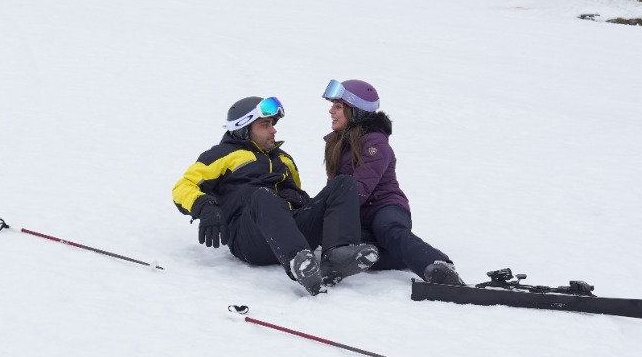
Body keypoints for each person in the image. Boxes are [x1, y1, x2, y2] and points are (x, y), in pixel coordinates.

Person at [173, 95, 379, 295]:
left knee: (344, 183)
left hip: (289, 230)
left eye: (272, 123)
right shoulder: (222, 155)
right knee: (262, 195)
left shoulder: (284, 159)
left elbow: (300, 199)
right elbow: (183, 186)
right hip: (250, 239)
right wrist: (206, 207)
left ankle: (337, 254)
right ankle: (300, 263)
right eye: (265, 125)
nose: (273, 130)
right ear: (243, 129)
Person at [321, 79, 465, 287]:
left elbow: (358, 190)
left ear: (356, 111)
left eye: (338, 106)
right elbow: (335, 188)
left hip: (385, 206)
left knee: (387, 229)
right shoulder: (336, 142)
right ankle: (404, 254)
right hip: (358, 214)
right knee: (360, 252)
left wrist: (329, 214)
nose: (331, 111)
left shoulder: (375, 145)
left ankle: (437, 265)